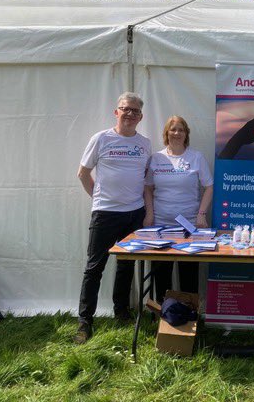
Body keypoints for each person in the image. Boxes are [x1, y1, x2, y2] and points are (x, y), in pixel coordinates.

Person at [75, 92, 151, 344]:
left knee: (126, 265)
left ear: (140, 117)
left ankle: (121, 312)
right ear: (116, 112)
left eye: (135, 111)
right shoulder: (100, 139)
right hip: (105, 213)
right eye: (125, 109)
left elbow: (146, 179)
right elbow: (83, 173)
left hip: (134, 213)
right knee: (94, 267)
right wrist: (98, 198)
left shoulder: (145, 144)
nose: (129, 114)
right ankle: (85, 321)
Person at [144, 115, 214, 300]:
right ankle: (162, 314)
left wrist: (201, 214)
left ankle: (189, 318)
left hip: (189, 226)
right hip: (160, 226)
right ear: (166, 133)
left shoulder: (196, 157)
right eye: (173, 129)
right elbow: (148, 187)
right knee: (161, 274)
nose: (176, 133)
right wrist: (149, 214)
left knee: (188, 274)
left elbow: (209, 186)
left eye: (181, 129)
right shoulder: (156, 158)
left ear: (186, 134)